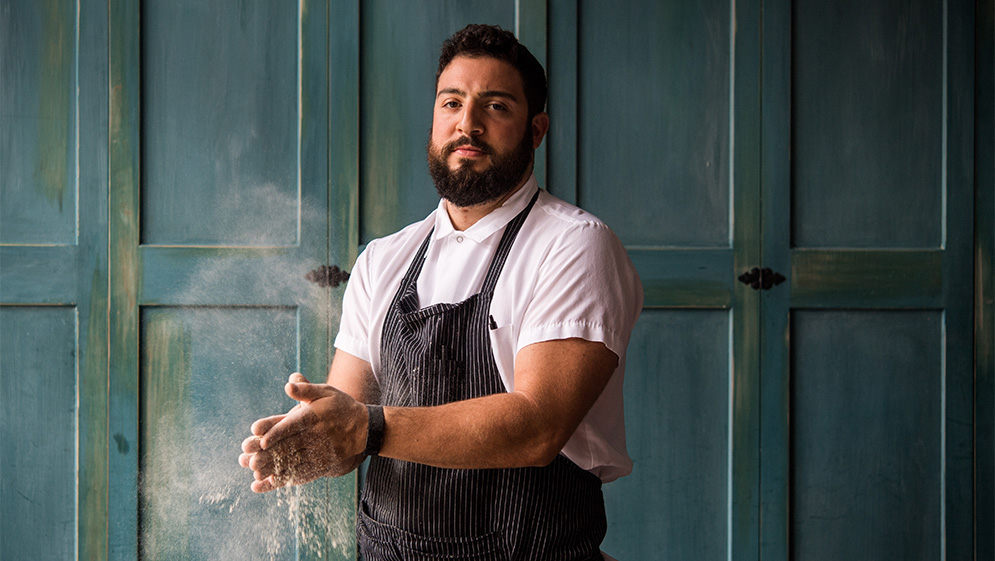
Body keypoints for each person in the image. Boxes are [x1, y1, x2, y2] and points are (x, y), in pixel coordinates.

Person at [239, 24, 643, 560]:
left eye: (495, 106)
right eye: (452, 103)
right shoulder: (384, 260)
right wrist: (309, 439)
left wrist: (364, 426)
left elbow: (537, 427)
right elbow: (350, 417)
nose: (467, 124)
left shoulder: (574, 246)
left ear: (536, 129)